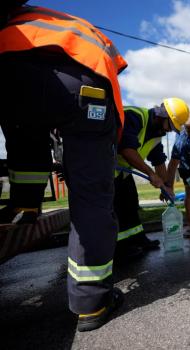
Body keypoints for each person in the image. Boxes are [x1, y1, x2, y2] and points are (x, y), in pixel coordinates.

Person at [0, 2, 126, 331]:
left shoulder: (30, 20)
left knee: (23, 127)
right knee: (91, 198)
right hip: (85, 88)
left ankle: (25, 204)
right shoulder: (95, 43)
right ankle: (93, 303)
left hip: (11, 71)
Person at [114, 98, 189, 258]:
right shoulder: (135, 117)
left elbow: (159, 161)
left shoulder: (156, 133)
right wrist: (151, 174)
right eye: (171, 126)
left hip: (122, 171)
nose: (170, 131)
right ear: (162, 116)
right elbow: (127, 149)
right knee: (116, 208)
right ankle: (119, 249)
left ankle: (138, 239)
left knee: (131, 204)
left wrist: (166, 187)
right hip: (106, 167)